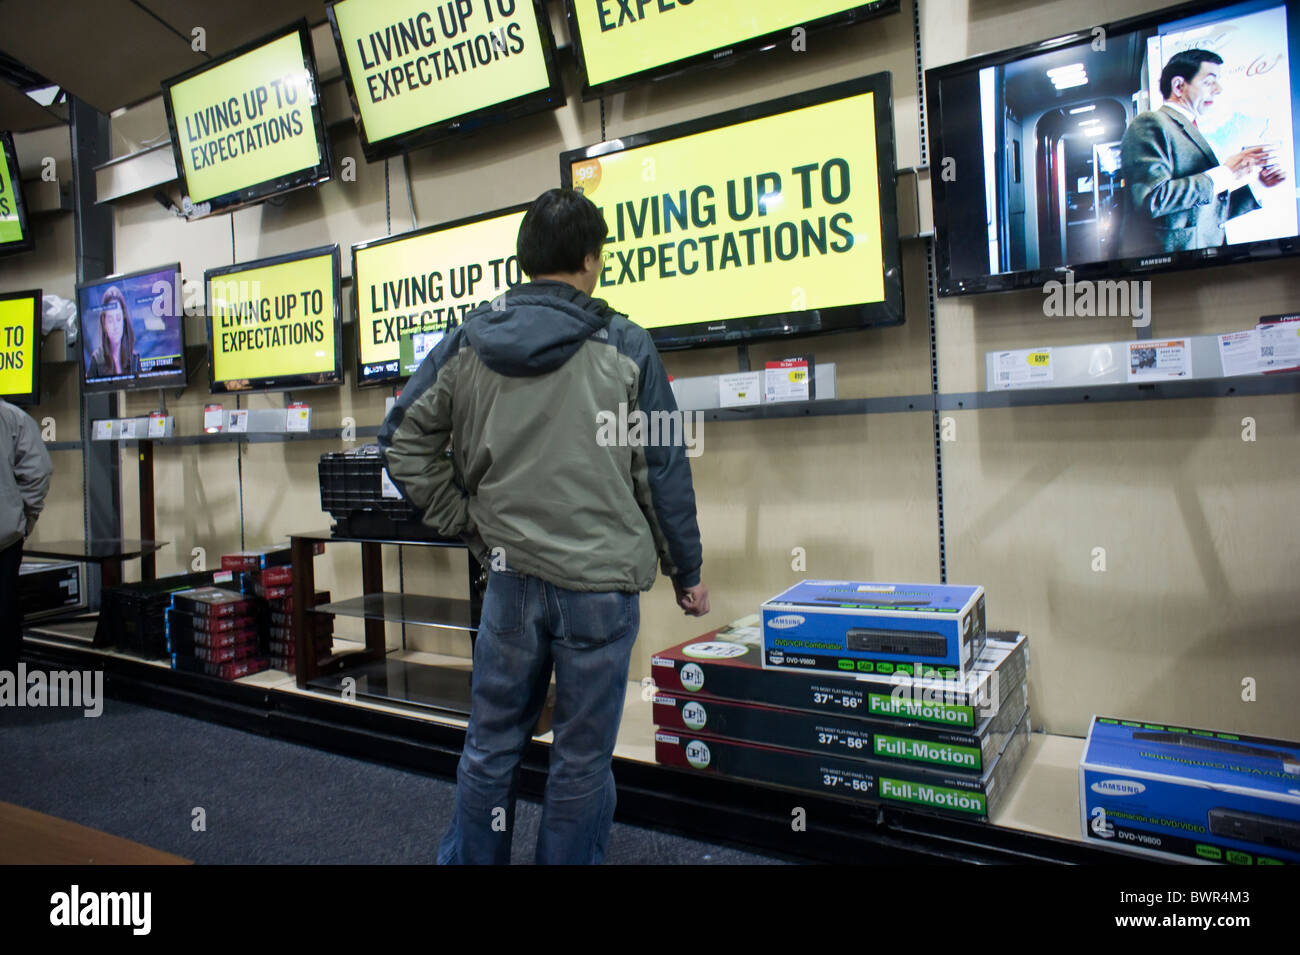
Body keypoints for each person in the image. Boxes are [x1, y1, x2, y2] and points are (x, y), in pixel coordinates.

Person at [379, 187, 708, 865]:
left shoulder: (469, 339)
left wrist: (467, 523)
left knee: (491, 744)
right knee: (582, 760)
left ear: (525, 259)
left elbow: (402, 440)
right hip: (599, 585)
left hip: (508, 577)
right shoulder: (627, 344)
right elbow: (663, 469)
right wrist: (689, 571)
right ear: (591, 259)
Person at [1120, 49, 1287, 256]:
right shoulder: (1150, 123)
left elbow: (1204, 213)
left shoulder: (1191, 128)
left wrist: (1258, 186)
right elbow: (1152, 200)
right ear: (1179, 86)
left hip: (1203, 263)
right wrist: (1227, 173)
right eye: (1209, 82)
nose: (1218, 89)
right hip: (1175, 269)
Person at [0, 397, 53, 676]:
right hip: (4, 540)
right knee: (5, 611)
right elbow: (38, 471)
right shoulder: (13, 417)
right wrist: (22, 519)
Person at [87, 286, 141, 379]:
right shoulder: (97, 359)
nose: (115, 326)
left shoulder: (134, 359)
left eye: (118, 318)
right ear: (104, 324)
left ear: (124, 321)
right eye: (110, 320)